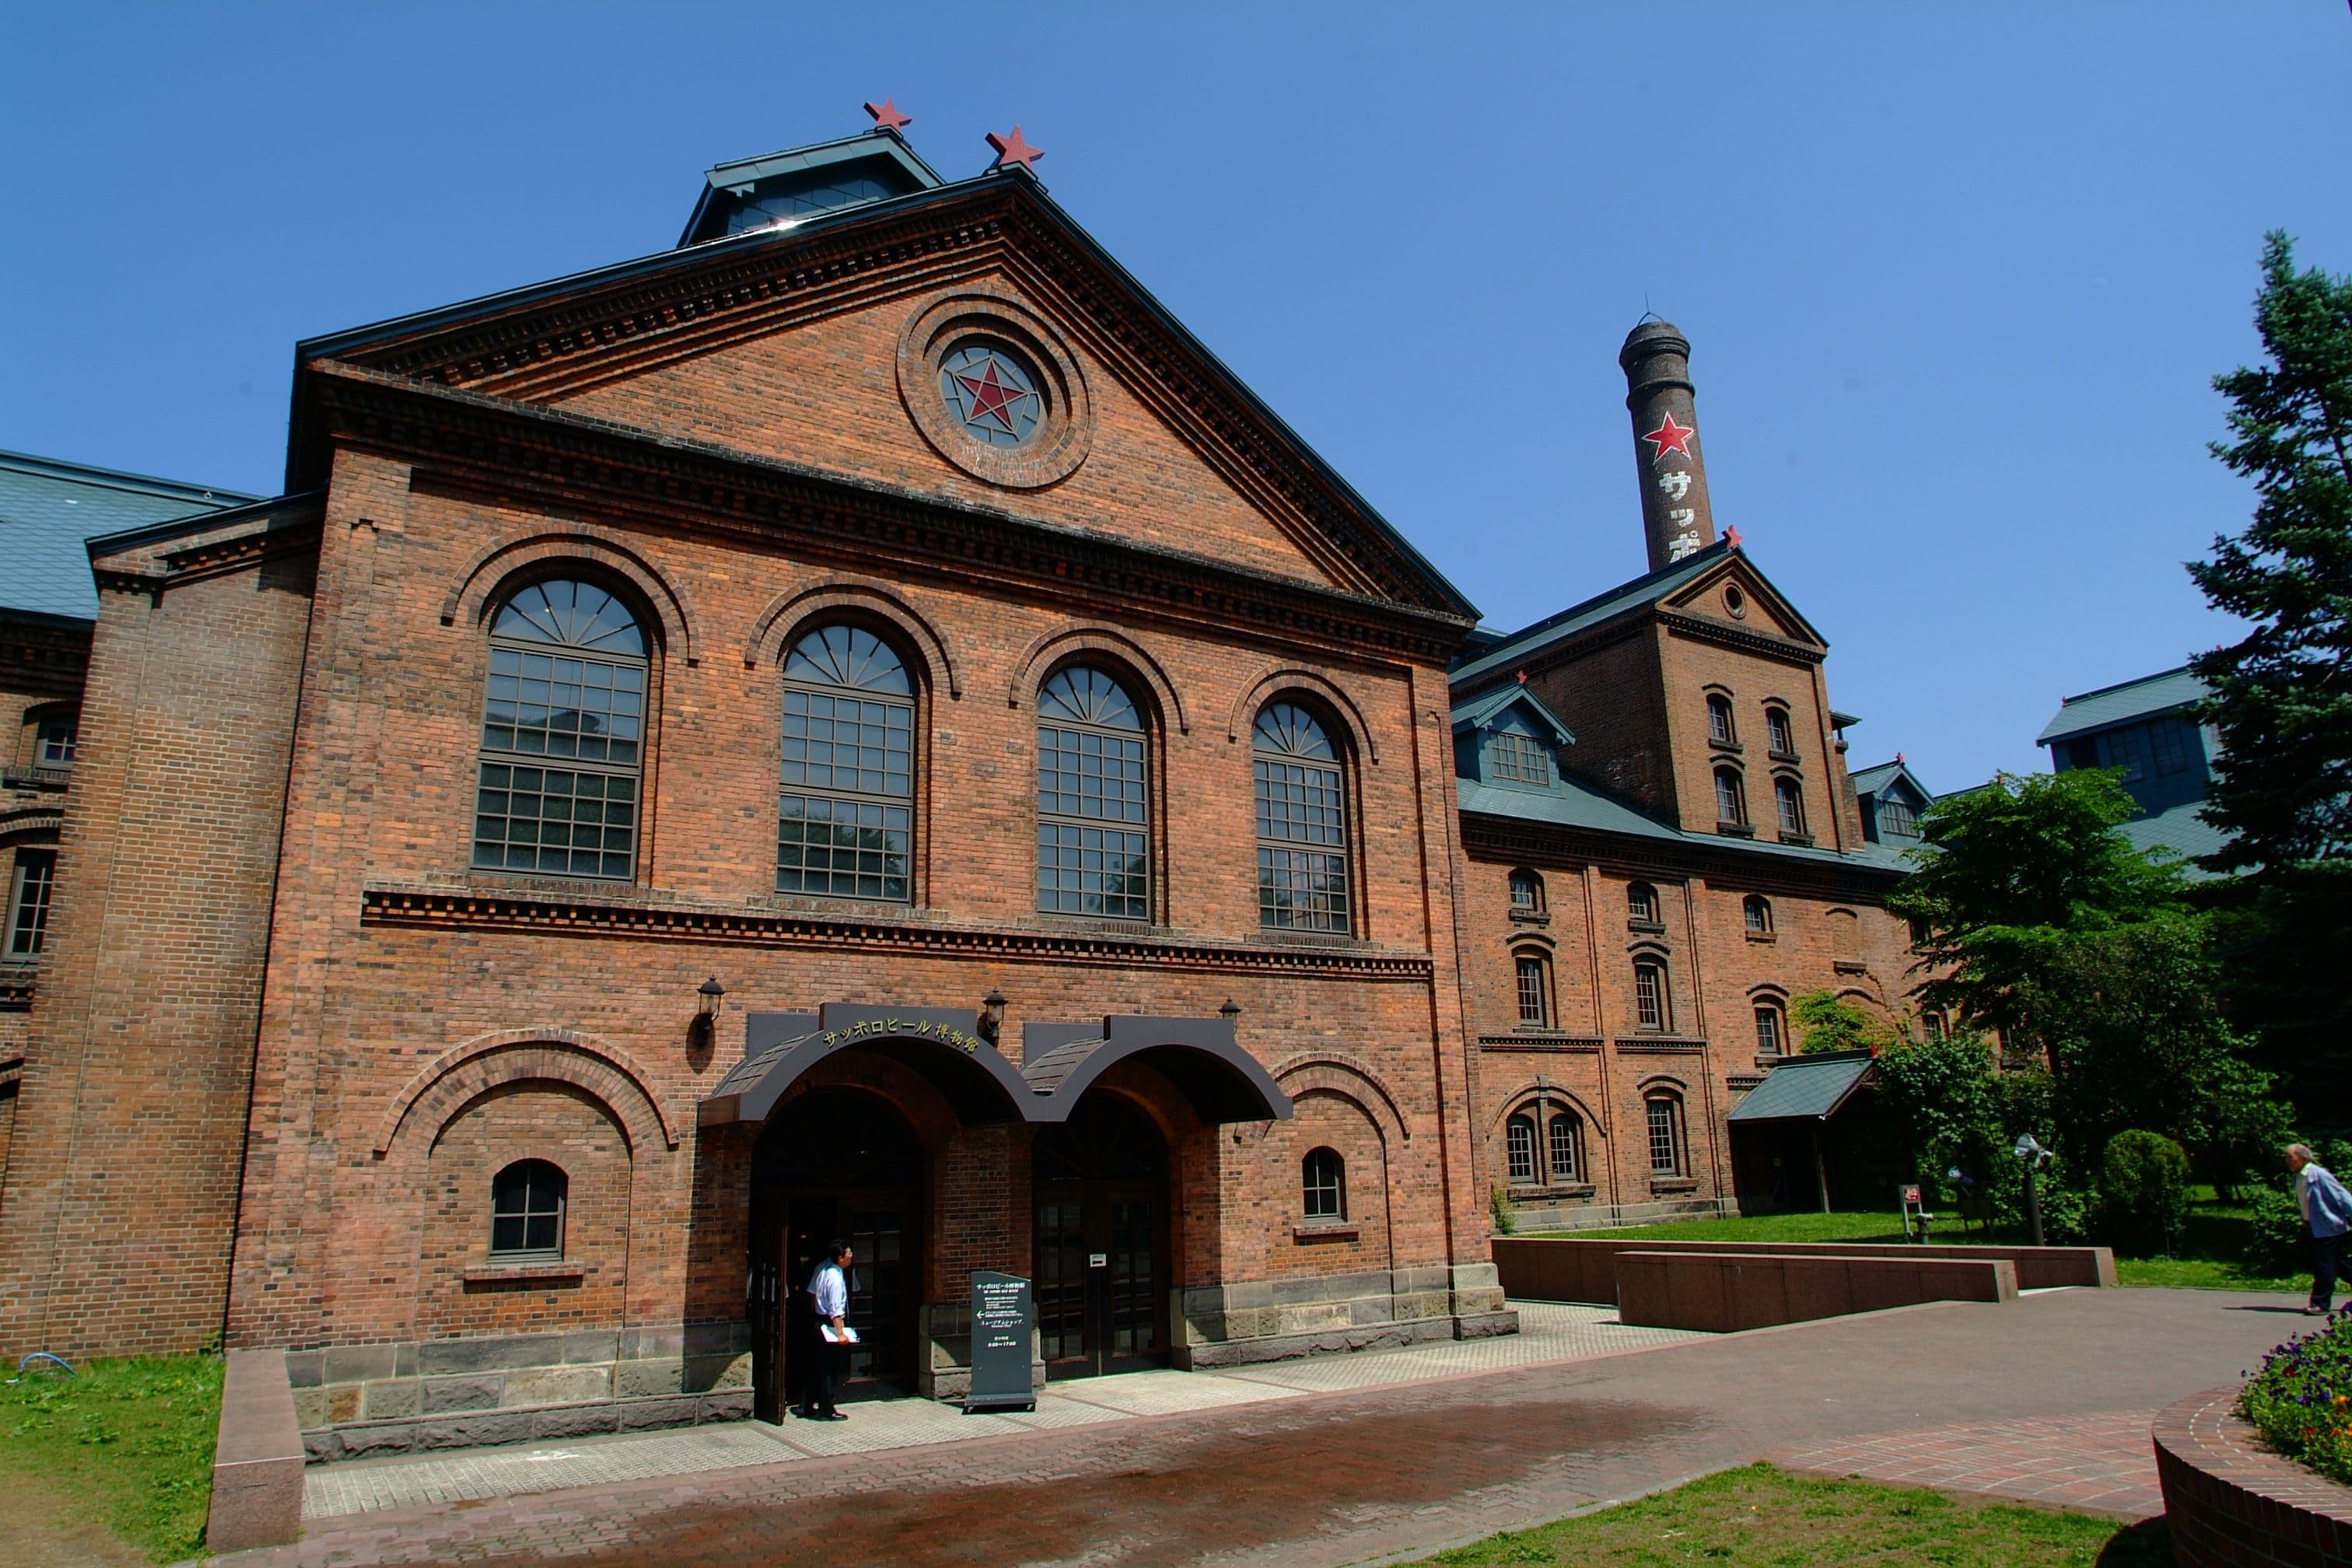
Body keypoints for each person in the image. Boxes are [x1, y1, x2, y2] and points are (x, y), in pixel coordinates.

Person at [2286, 1144, 2351, 1317]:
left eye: (2290, 1157)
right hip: (2317, 1226)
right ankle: (2320, 1302)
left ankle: (2320, 1303)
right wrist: (2306, 1219)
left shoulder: (2318, 1175)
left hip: (2330, 1226)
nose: (2288, 1161)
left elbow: (2342, 1196)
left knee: (2324, 1265)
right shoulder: (2298, 1176)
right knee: (2340, 1264)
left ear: (2302, 1158)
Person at [797, 1238, 855, 1419]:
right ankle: (826, 1408)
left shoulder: (821, 1268)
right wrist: (840, 1333)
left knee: (815, 1366)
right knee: (828, 1369)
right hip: (829, 1325)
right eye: (849, 1252)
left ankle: (806, 1405)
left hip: (817, 1321)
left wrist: (813, 1317)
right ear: (840, 1257)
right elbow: (835, 1310)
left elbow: (813, 1295)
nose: (851, 1255)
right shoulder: (836, 1278)